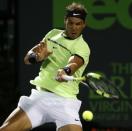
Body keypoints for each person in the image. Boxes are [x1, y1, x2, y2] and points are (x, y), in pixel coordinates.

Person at [0, 2, 90, 131]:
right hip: (39, 98)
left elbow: (74, 63)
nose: (74, 28)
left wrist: (65, 71)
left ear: (83, 25)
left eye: (78, 24)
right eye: (70, 23)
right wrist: (36, 57)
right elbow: (27, 59)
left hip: (64, 103)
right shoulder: (53, 34)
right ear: (65, 21)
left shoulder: (83, 47)